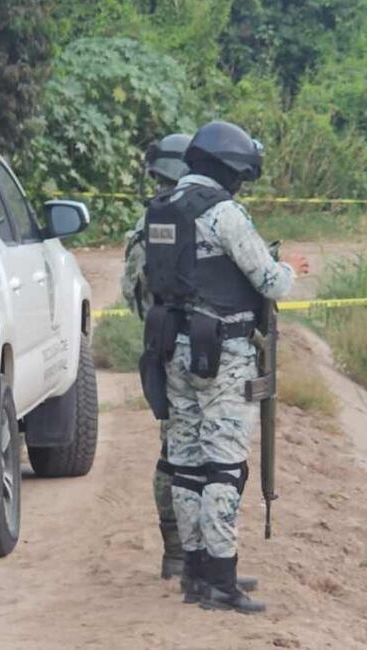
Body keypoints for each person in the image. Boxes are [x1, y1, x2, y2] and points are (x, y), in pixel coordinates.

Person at [135, 121, 308, 614]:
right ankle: (223, 579)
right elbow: (271, 282)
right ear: (230, 170)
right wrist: (292, 267)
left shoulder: (160, 209)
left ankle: (195, 575)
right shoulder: (223, 214)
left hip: (174, 350)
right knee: (225, 468)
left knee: (187, 465)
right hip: (223, 356)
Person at [122, 133, 191, 579]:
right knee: (200, 459)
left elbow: (131, 296)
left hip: (159, 350)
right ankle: (195, 553)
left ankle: (176, 551)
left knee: (172, 452)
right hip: (198, 353)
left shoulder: (143, 227)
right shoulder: (197, 221)